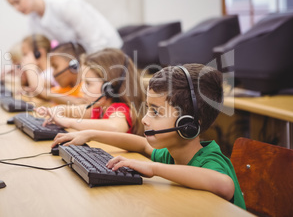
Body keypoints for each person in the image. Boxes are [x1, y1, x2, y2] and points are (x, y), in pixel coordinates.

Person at [51, 64, 246, 210]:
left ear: (188, 125)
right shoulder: (173, 153)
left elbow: (224, 184)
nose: (144, 119)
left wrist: (154, 168)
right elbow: (142, 144)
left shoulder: (209, 161)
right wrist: (91, 134)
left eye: (156, 112)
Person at [3, 0, 123, 53]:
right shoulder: (32, 23)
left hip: (110, 51)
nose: (16, 8)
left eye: (17, 1)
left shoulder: (64, 4)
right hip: (84, 60)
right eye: (12, 5)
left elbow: (96, 41)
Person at [36, 48, 145, 135]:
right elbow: (72, 110)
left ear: (109, 88)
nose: (83, 89)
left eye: (88, 83)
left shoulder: (120, 109)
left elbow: (115, 127)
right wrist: (53, 111)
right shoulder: (99, 108)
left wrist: (69, 122)